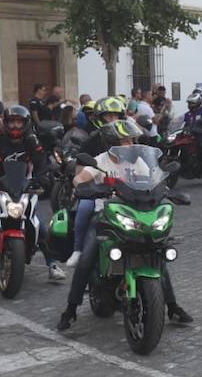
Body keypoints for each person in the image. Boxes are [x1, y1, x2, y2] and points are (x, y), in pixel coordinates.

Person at [57, 142, 191, 331]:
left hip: (135, 212)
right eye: (124, 142)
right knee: (87, 257)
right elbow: (80, 179)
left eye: (130, 141)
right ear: (113, 144)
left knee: (156, 251)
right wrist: (89, 185)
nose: (128, 144)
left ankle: (172, 306)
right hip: (104, 213)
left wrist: (162, 187)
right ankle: (70, 310)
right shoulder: (100, 160)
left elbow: (154, 178)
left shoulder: (137, 161)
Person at [0, 105, 66, 283]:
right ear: (5, 123)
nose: (14, 126)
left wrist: (43, 176)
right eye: (11, 122)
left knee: (37, 222)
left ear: (25, 123)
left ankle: (52, 264)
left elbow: (41, 162)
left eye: (18, 122)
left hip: (24, 188)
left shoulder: (31, 142)